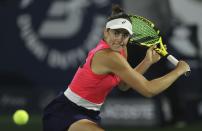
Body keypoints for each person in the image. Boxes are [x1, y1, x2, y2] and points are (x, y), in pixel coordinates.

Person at [42, 4, 190, 131]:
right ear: (106, 32)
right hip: (65, 112)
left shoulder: (120, 51)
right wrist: (178, 70)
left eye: (125, 35)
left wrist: (147, 61)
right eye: (116, 33)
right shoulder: (109, 56)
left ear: (129, 37)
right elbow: (148, 90)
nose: (119, 39)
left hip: (88, 114)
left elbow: (124, 85)